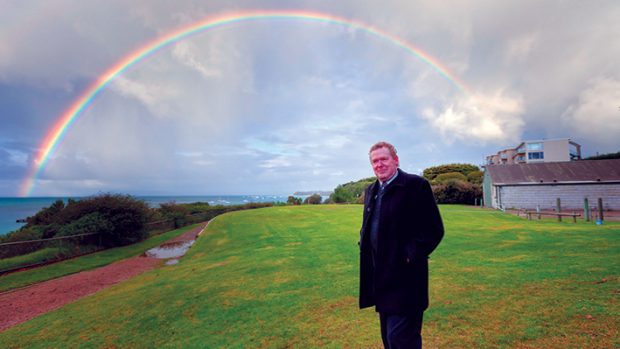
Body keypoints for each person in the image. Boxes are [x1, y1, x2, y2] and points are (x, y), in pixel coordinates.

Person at [359, 141, 444, 349]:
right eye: (374, 161)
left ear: (395, 160)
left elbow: (434, 230)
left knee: (401, 341)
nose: (379, 164)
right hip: (381, 280)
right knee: (389, 340)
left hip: (406, 281)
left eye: (383, 159)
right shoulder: (372, 190)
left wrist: (408, 256)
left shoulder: (416, 186)